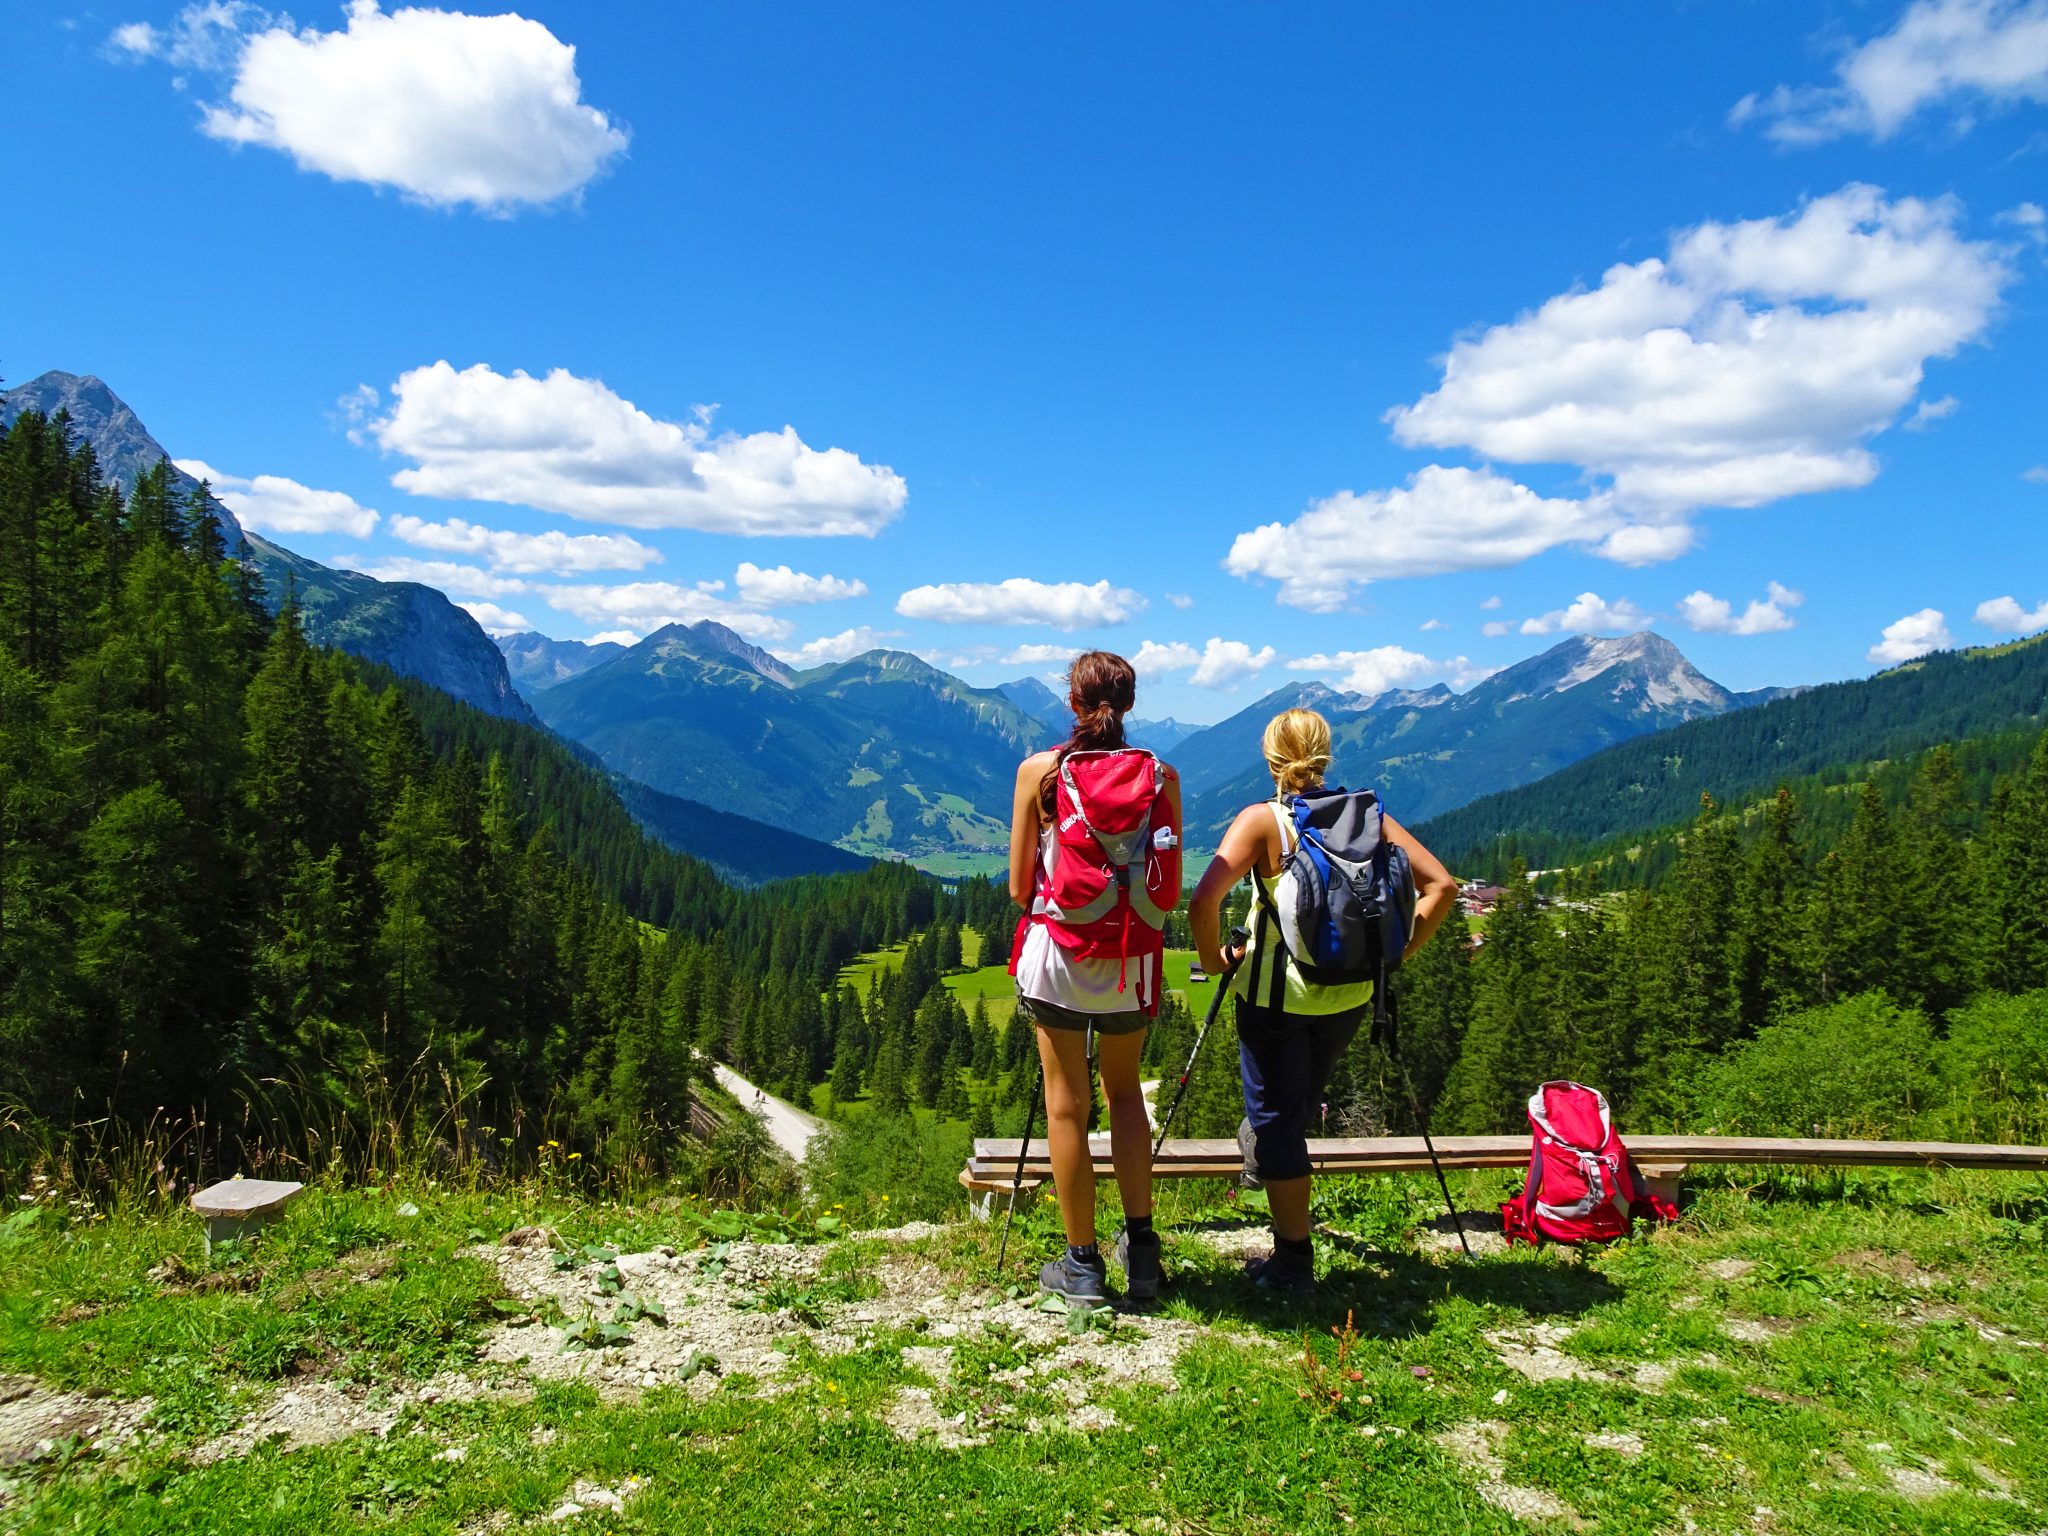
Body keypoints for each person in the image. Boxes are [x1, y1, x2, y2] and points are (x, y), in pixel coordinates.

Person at [1187, 707, 1456, 1294]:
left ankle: (1292, 1263)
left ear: (1270, 758)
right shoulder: (1367, 817)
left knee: (1278, 1124)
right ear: (1326, 752)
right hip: (1350, 994)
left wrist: (1214, 963)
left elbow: (1203, 901)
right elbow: (1443, 885)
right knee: (1295, 1107)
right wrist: (1392, 956)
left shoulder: (1264, 822)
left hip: (1276, 997)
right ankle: (1267, 1155)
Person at [1008, 650, 1181, 1305]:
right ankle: (1142, 1252)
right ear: (1129, 705)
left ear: (1071, 704)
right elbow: (1164, 879)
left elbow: (1020, 887)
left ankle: (1081, 1265)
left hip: (1060, 956)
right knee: (1126, 1095)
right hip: (1132, 959)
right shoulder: (1161, 775)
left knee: (1066, 1106)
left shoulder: (1040, 771)